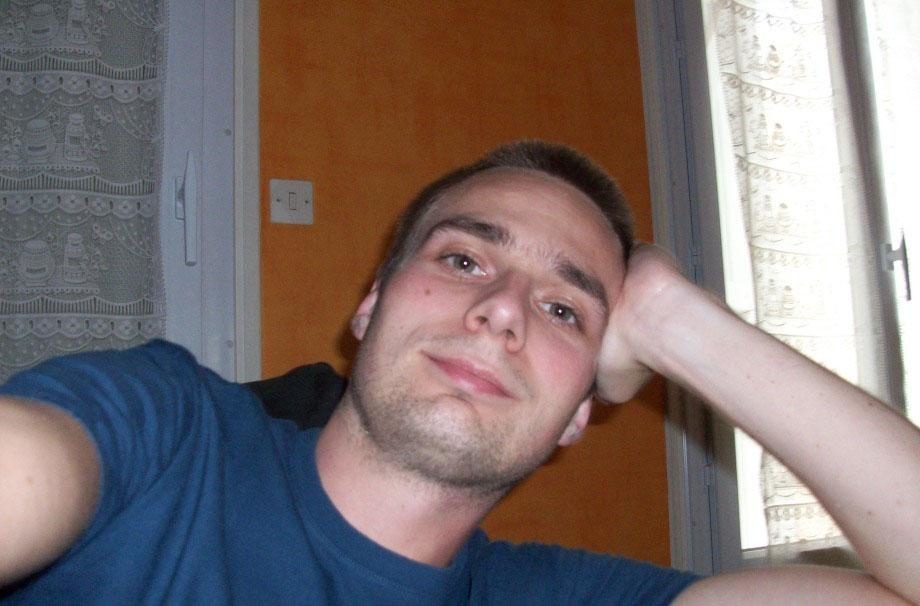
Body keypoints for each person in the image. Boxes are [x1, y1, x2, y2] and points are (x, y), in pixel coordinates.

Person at [1, 141, 918, 604]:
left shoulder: (560, 599)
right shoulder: (160, 439)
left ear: (577, 413)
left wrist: (680, 323)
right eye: (465, 260)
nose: (504, 310)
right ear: (370, 307)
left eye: (565, 309)